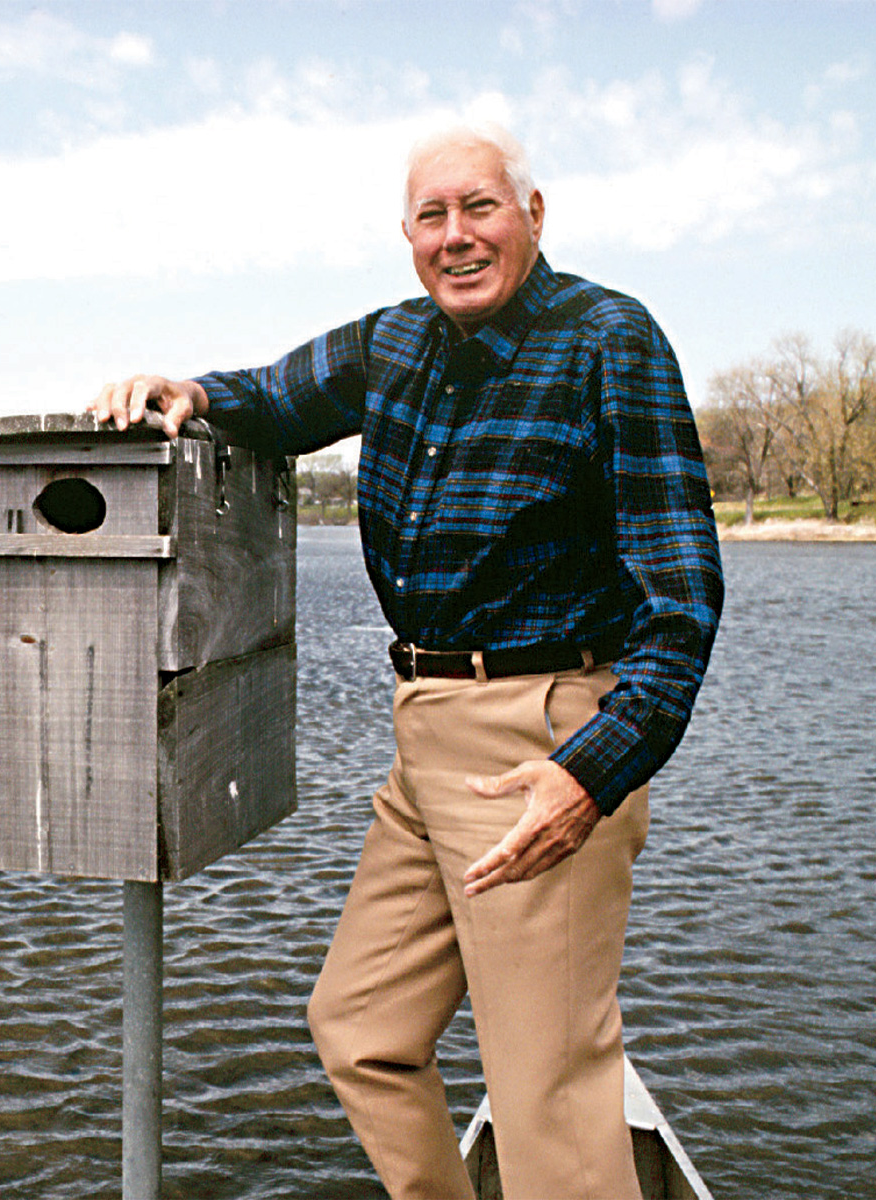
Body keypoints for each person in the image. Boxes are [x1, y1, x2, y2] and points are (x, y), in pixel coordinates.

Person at [92, 121, 723, 1200]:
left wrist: (590, 772)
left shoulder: (607, 339)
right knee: (360, 1029)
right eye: (432, 216)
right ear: (407, 234)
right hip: (424, 730)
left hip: (543, 736)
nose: (457, 236)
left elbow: (682, 595)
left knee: (551, 1104)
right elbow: (274, 396)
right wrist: (186, 391)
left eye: (480, 207)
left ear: (533, 215)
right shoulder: (394, 343)